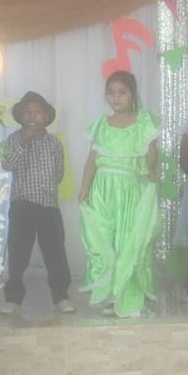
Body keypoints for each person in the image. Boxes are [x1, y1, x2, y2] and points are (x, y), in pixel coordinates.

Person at [79, 71, 160, 318]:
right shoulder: (101, 124)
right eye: (111, 93)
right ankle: (110, 295)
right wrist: (85, 188)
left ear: (132, 94)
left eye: (122, 92)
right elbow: (92, 159)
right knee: (105, 240)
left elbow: (151, 154)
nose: (116, 98)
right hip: (103, 190)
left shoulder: (143, 121)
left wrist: (151, 168)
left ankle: (131, 298)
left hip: (129, 189)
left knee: (129, 241)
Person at [0, 92, 74, 316]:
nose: (33, 116)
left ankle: (61, 297)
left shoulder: (54, 143)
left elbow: (59, 174)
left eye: (38, 112)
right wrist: (25, 141)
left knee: (55, 252)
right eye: (27, 112)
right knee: (18, 252)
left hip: (49, 205)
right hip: (22, 204)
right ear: (20, 117)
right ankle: (13, 299)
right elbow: (7, 164)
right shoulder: (13, 139)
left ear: (47, 117)